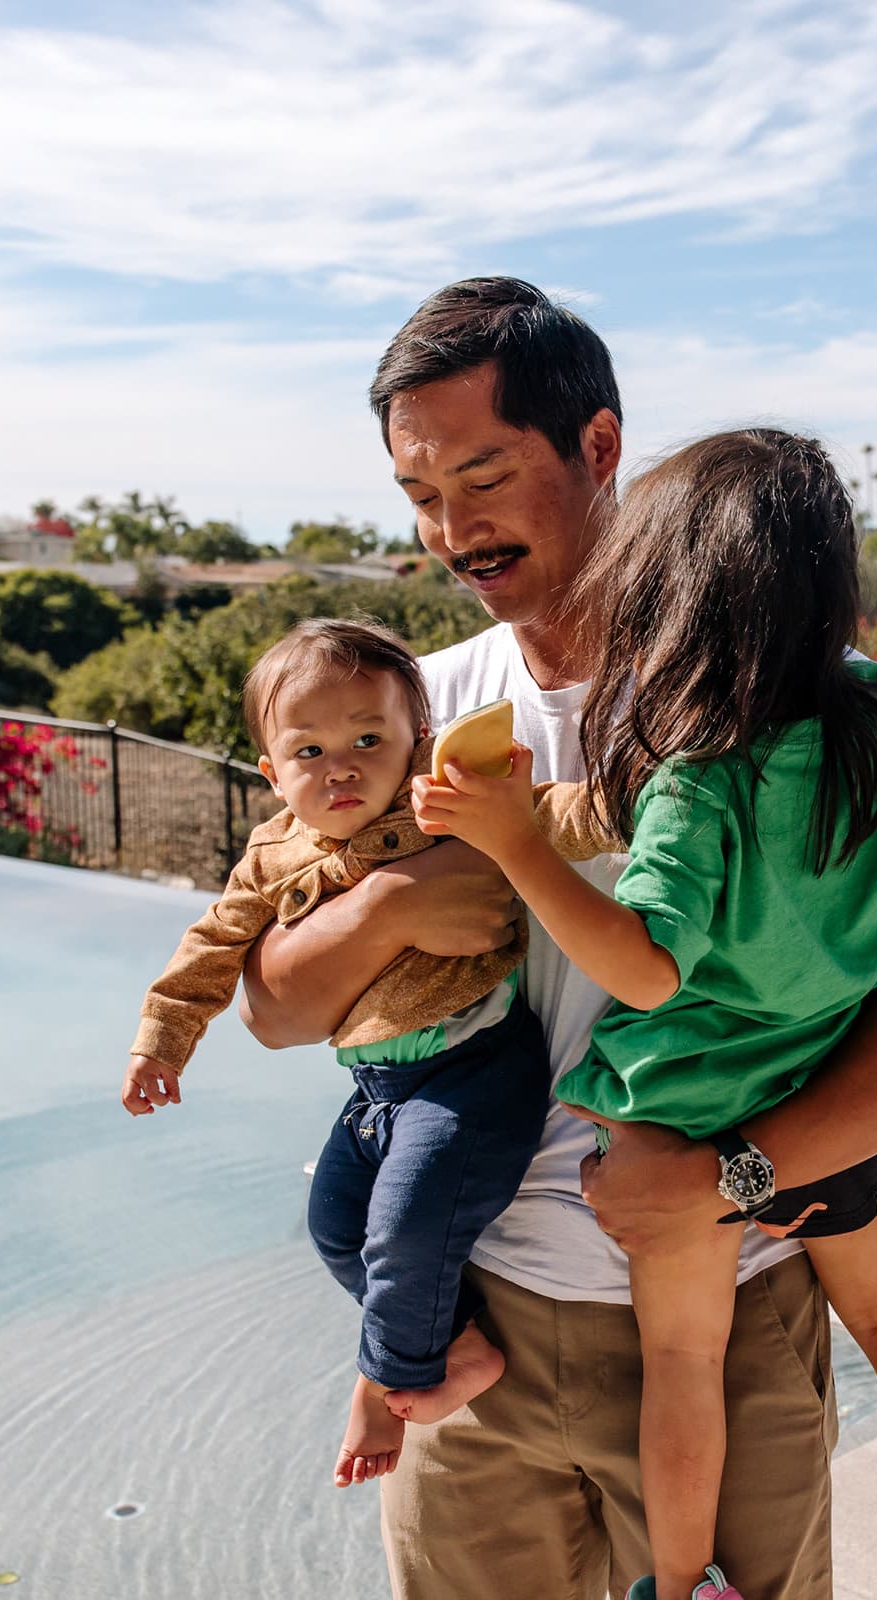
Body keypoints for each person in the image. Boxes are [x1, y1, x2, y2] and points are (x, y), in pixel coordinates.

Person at [239, 277, 877, 1600]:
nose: (452, 527)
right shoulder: (403, 717)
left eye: (482, 473)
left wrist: (737, 1175)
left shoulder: (794, 701)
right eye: (419, 491)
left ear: (599, 447)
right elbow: (276, 1006)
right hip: (475, 1339)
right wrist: (397, 902)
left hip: (733, 1314)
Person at [411, 427, 877, 1600]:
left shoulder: (702, 774)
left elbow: (646, 963)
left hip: (689, 1114)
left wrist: (514, 839)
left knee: (684, 1366)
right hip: (820, 1113)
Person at [120, 616, 592, 1488]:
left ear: (415, 740)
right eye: (308, 752)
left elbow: (554, 814)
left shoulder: (438, 801)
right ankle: (454, 1345)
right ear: (271, 770)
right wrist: (163, 1044)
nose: (340, 767)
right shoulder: (270, 853)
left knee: (405, 1225)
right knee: (335, 1227)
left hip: (476, 1066)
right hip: (379, 1087)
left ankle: (390, 1379)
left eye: (368, 739)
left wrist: (631, 804)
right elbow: (213, 949)